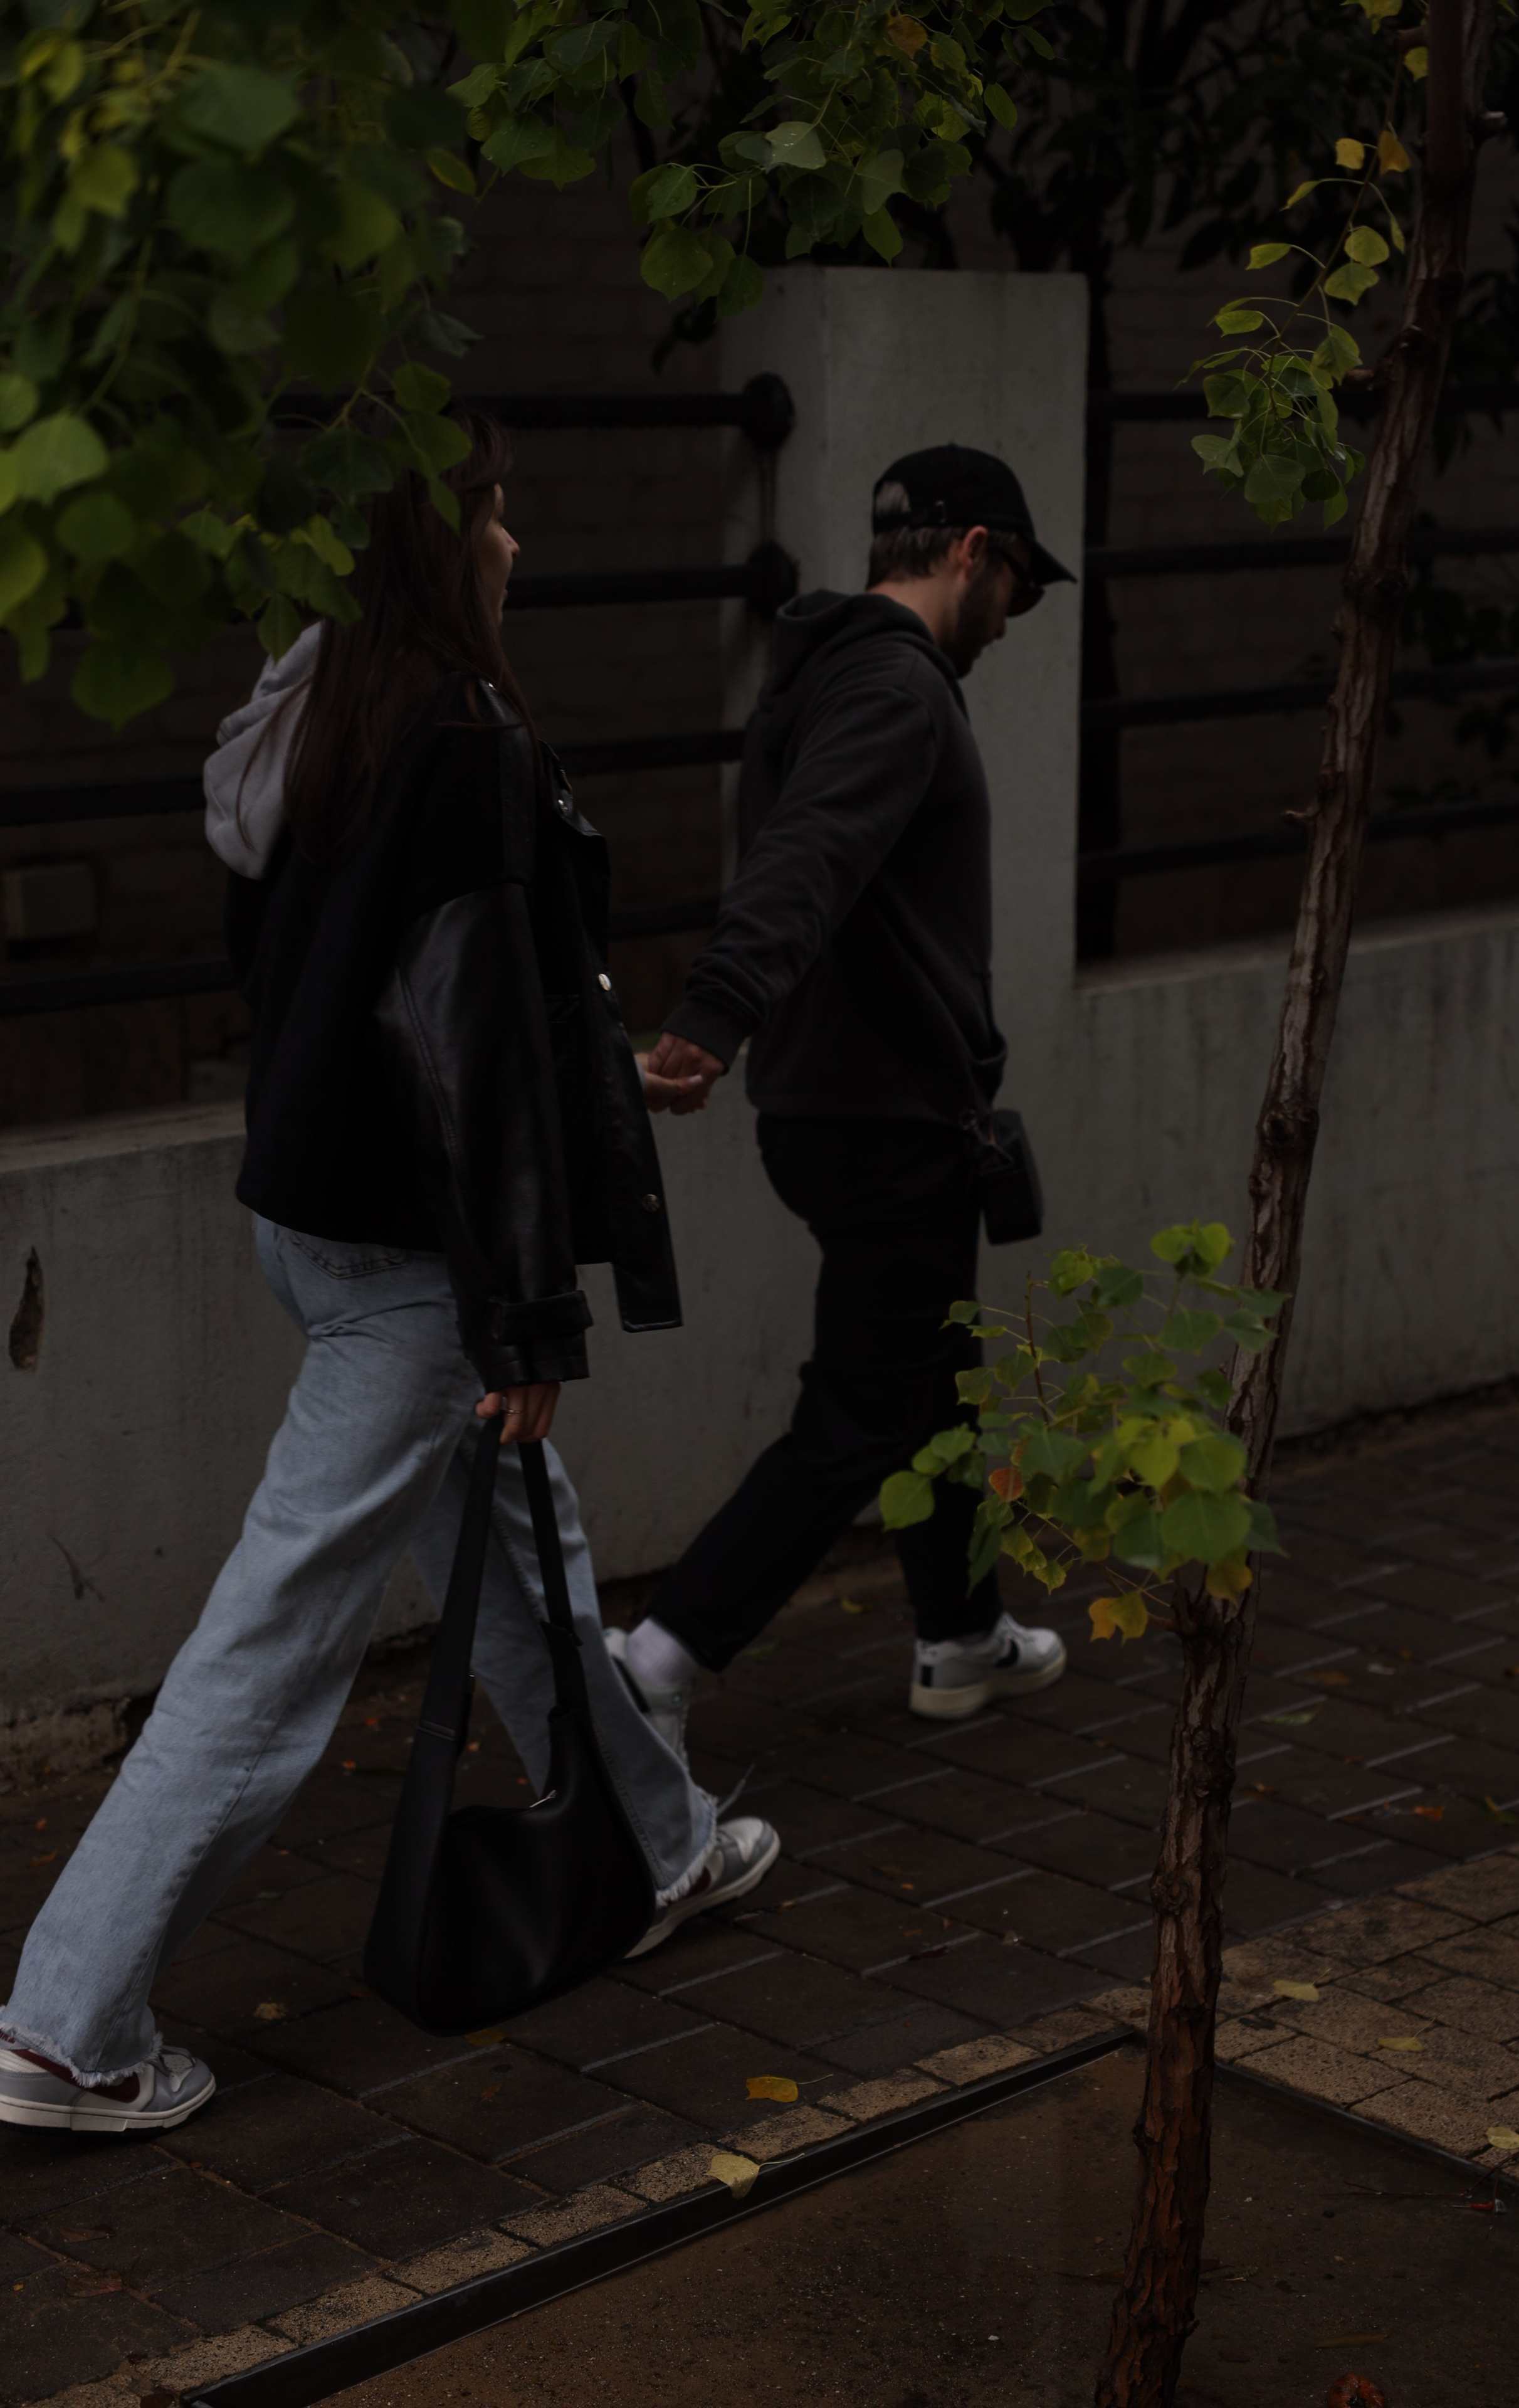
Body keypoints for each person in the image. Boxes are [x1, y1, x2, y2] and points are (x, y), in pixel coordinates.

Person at [0, 416, 777, 2138]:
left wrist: (575, 1101)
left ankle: (657, 1845)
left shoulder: (310, 715)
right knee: (279, 1628)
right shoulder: (462, 734)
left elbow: (356, 995)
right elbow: (466, 1043)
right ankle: (70, 2026)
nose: (517, 548)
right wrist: (525, 1315)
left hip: (312, 1218)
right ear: (442, 542)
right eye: (499, 515)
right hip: (419, 1262)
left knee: (516, 1553)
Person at [609, 445, 1075, 1754]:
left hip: (838, 1103)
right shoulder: (891, 688)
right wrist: (712, 1018)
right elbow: (807, 858)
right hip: (883, 1115)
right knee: (864, 1410)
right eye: (1019, 585)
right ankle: (660, 1654)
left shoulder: (820, 673)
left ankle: (960, 1635)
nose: (1014, 617)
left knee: (934, 1382)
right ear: (973, 550)